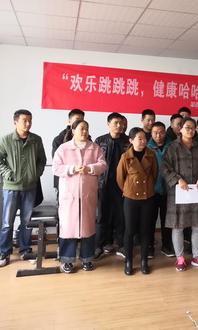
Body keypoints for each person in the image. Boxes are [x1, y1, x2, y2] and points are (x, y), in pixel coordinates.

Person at [0, 109, 47, 267]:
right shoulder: (6, 140)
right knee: (7, 222)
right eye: (24, 120)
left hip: (30, 187)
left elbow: (42, 160)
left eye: (30, 120)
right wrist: (8, 173)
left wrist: (35, 173)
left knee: (26, 221)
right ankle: (4, 253)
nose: (28, 123)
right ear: (15, 122)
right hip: (11, 188)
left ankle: (25, 250)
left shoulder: (36, 140)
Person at [52, 119, 106, 273]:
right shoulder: (64, 148)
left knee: (88, 227)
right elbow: (56, 168)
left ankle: (87, 259)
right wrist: (72, 169)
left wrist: (90, 168)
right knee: (68, 228)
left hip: (87, 194)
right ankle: (67, 260)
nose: (84, 131)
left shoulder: (94, 148)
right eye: (81, 128)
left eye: (86, 129)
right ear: (73, 130)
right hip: (69, 195)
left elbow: (103, 165)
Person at [161, 117, 198, 272]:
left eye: (192, 128)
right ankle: (180, 258)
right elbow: (164, 168)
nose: (190, 130)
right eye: (187, 127)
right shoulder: (172, 147)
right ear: (180, 129)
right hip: (178, 192)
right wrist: (178, 179)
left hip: (196, 191)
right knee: (178, 226)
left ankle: (197, 256)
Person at [116, 127, 159, 276]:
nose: (143, 141)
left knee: (145, 230)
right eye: (139, 138)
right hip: (131, 198)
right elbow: (120, 178)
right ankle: (128, 261)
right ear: (131, 140)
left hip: (148, 197)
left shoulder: (151, 155)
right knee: (129, 230)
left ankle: (144, 261)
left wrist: (147, 188)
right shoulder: (125, 157)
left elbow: (154, 175)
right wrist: (129, 190)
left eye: (144, 138)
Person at [94, 112, 129, 260]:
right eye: (116, 123)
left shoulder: (127, 141)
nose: (119, 126)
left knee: (121, 216)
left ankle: (121, 245)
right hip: (104, 184)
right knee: (102, 216)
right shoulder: (100, 141)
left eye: (121, 123)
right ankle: (99, 245)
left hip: (122, 185)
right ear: (108, 124)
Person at [147, 121, 174, 257]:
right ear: (151, 133)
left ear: (165, 132)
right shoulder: (147, 147)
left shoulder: (173, 145)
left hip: (169, 189)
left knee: (167, 219)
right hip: (151, 189)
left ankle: (166, 245)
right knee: (149, 220)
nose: (158, 135)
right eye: (155, 133)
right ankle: (149, 246)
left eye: (161, 132)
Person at [51, 108, 85, 197]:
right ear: (69, 121)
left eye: (82, 119)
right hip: (64, 181)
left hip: (83, 182)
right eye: (77, 119)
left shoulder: (87, 139)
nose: (80, 122)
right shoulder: (59, 139)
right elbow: (57, 163)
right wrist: (74, 168)